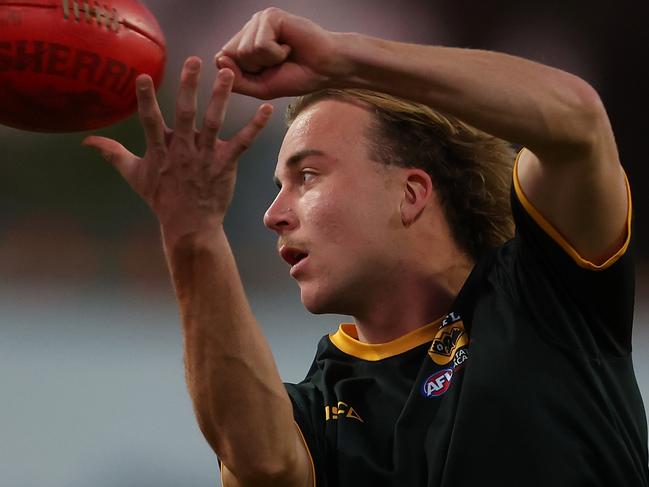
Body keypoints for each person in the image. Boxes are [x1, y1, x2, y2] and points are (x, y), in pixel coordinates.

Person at [83, 8, 648, 487]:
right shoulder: (323, 402)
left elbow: (577, 123)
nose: (273, 215)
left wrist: (343, 60)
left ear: (410, 193)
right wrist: (193, 231)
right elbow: (263, 463)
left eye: (307, 175)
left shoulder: (545, 291)